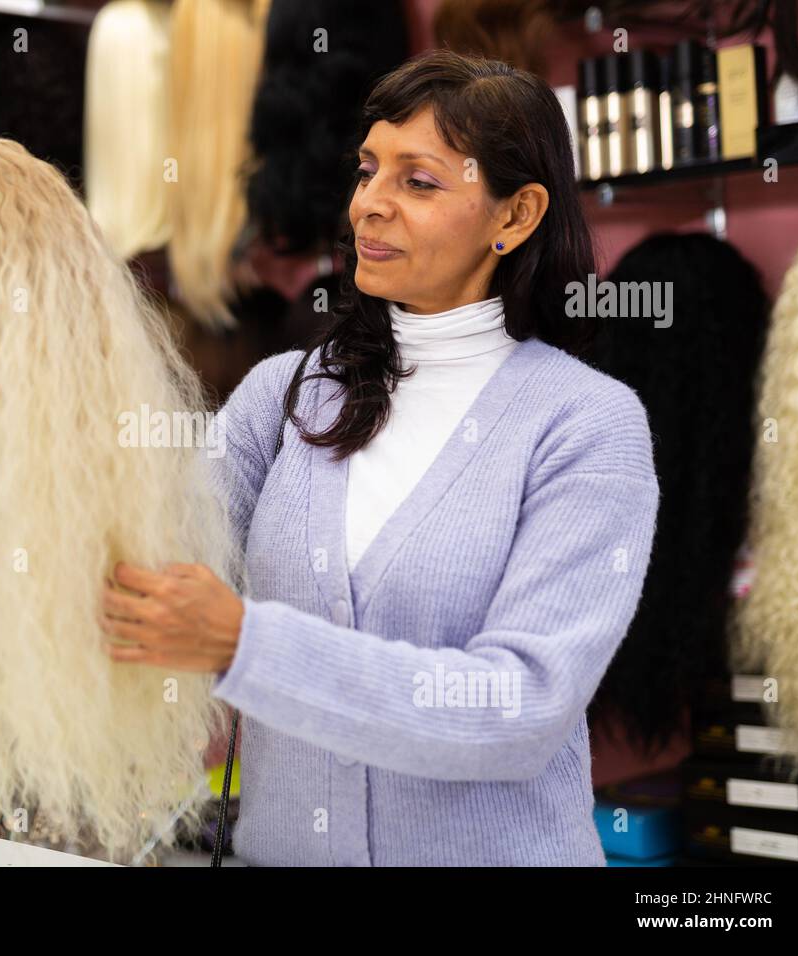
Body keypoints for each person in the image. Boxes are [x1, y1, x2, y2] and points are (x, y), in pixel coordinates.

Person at [100, 49, 660, 866]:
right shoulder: (285, 396)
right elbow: (152, 561)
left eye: (418, 181)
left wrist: (245, 646)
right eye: (367, 172)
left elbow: (518, 710)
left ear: (517, 215)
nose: (369, 205)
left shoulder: (585, 426)